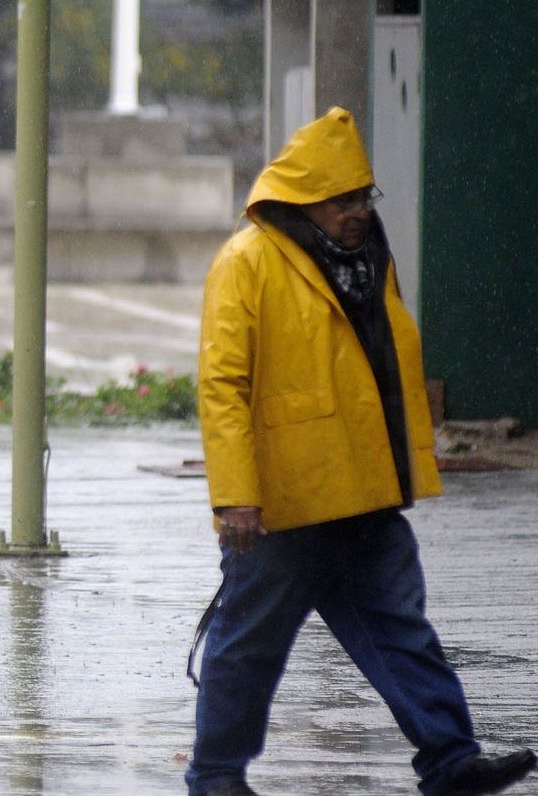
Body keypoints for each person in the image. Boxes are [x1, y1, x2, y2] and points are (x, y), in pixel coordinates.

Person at [187, 107, 535, 796]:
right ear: (304, 200)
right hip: (285, 505)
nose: (358, 212)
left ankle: (451, 760)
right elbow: (223, 385)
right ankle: (217, 777)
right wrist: (236, 496)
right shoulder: (248, 261)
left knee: (401, 630)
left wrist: (404, 467)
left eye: (363, 197)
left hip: (364, 494)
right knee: (250, 646)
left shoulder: (367, 259)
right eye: (342, 201)